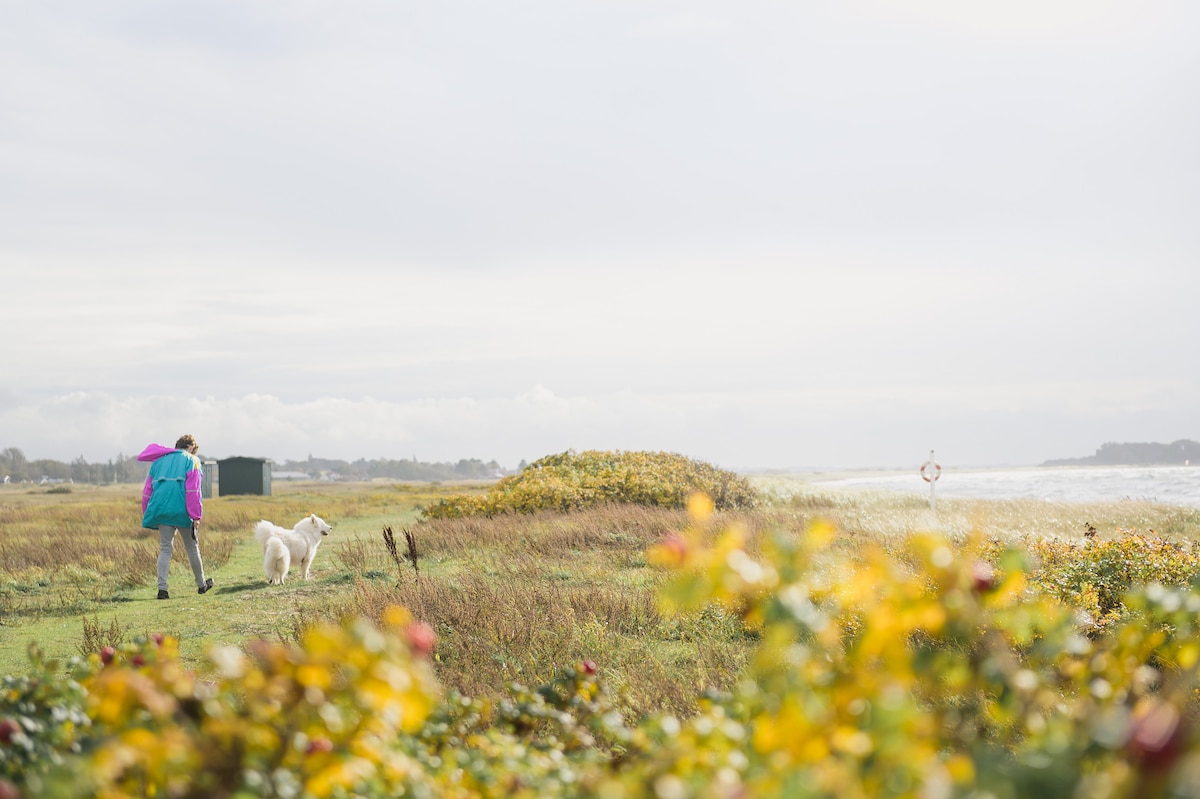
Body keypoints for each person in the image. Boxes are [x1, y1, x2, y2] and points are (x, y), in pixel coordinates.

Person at [138, 434, 213, 599]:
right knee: (192, 548)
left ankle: (162, 589)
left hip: (162, 511)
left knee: (165, 549)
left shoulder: (158, 462)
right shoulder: (192, 461)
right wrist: (196, 516)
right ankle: (201, 585)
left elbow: (147, 492)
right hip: (183, 512)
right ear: (191, 447)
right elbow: (193, 491)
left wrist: (148, 513)